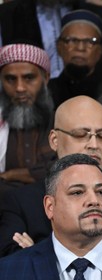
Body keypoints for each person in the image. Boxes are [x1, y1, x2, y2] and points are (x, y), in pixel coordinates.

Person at [0, 96, 102, 260]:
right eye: (81, 134)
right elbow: (11, 270)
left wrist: (40, 257)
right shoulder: (19, 202)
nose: (94, 145)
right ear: (54, 140)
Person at [0, 43, 56, 193]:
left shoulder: (62, 121)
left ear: (46, 78)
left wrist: (11, 175)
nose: (20, 88)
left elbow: (63, 169)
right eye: (10, 79)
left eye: (29, 78)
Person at [48, 10, 102, 108]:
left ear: (100, 51)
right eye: (72, 40)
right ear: (59, 47)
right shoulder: (46, 93)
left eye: (90, 41)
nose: (80, 48)